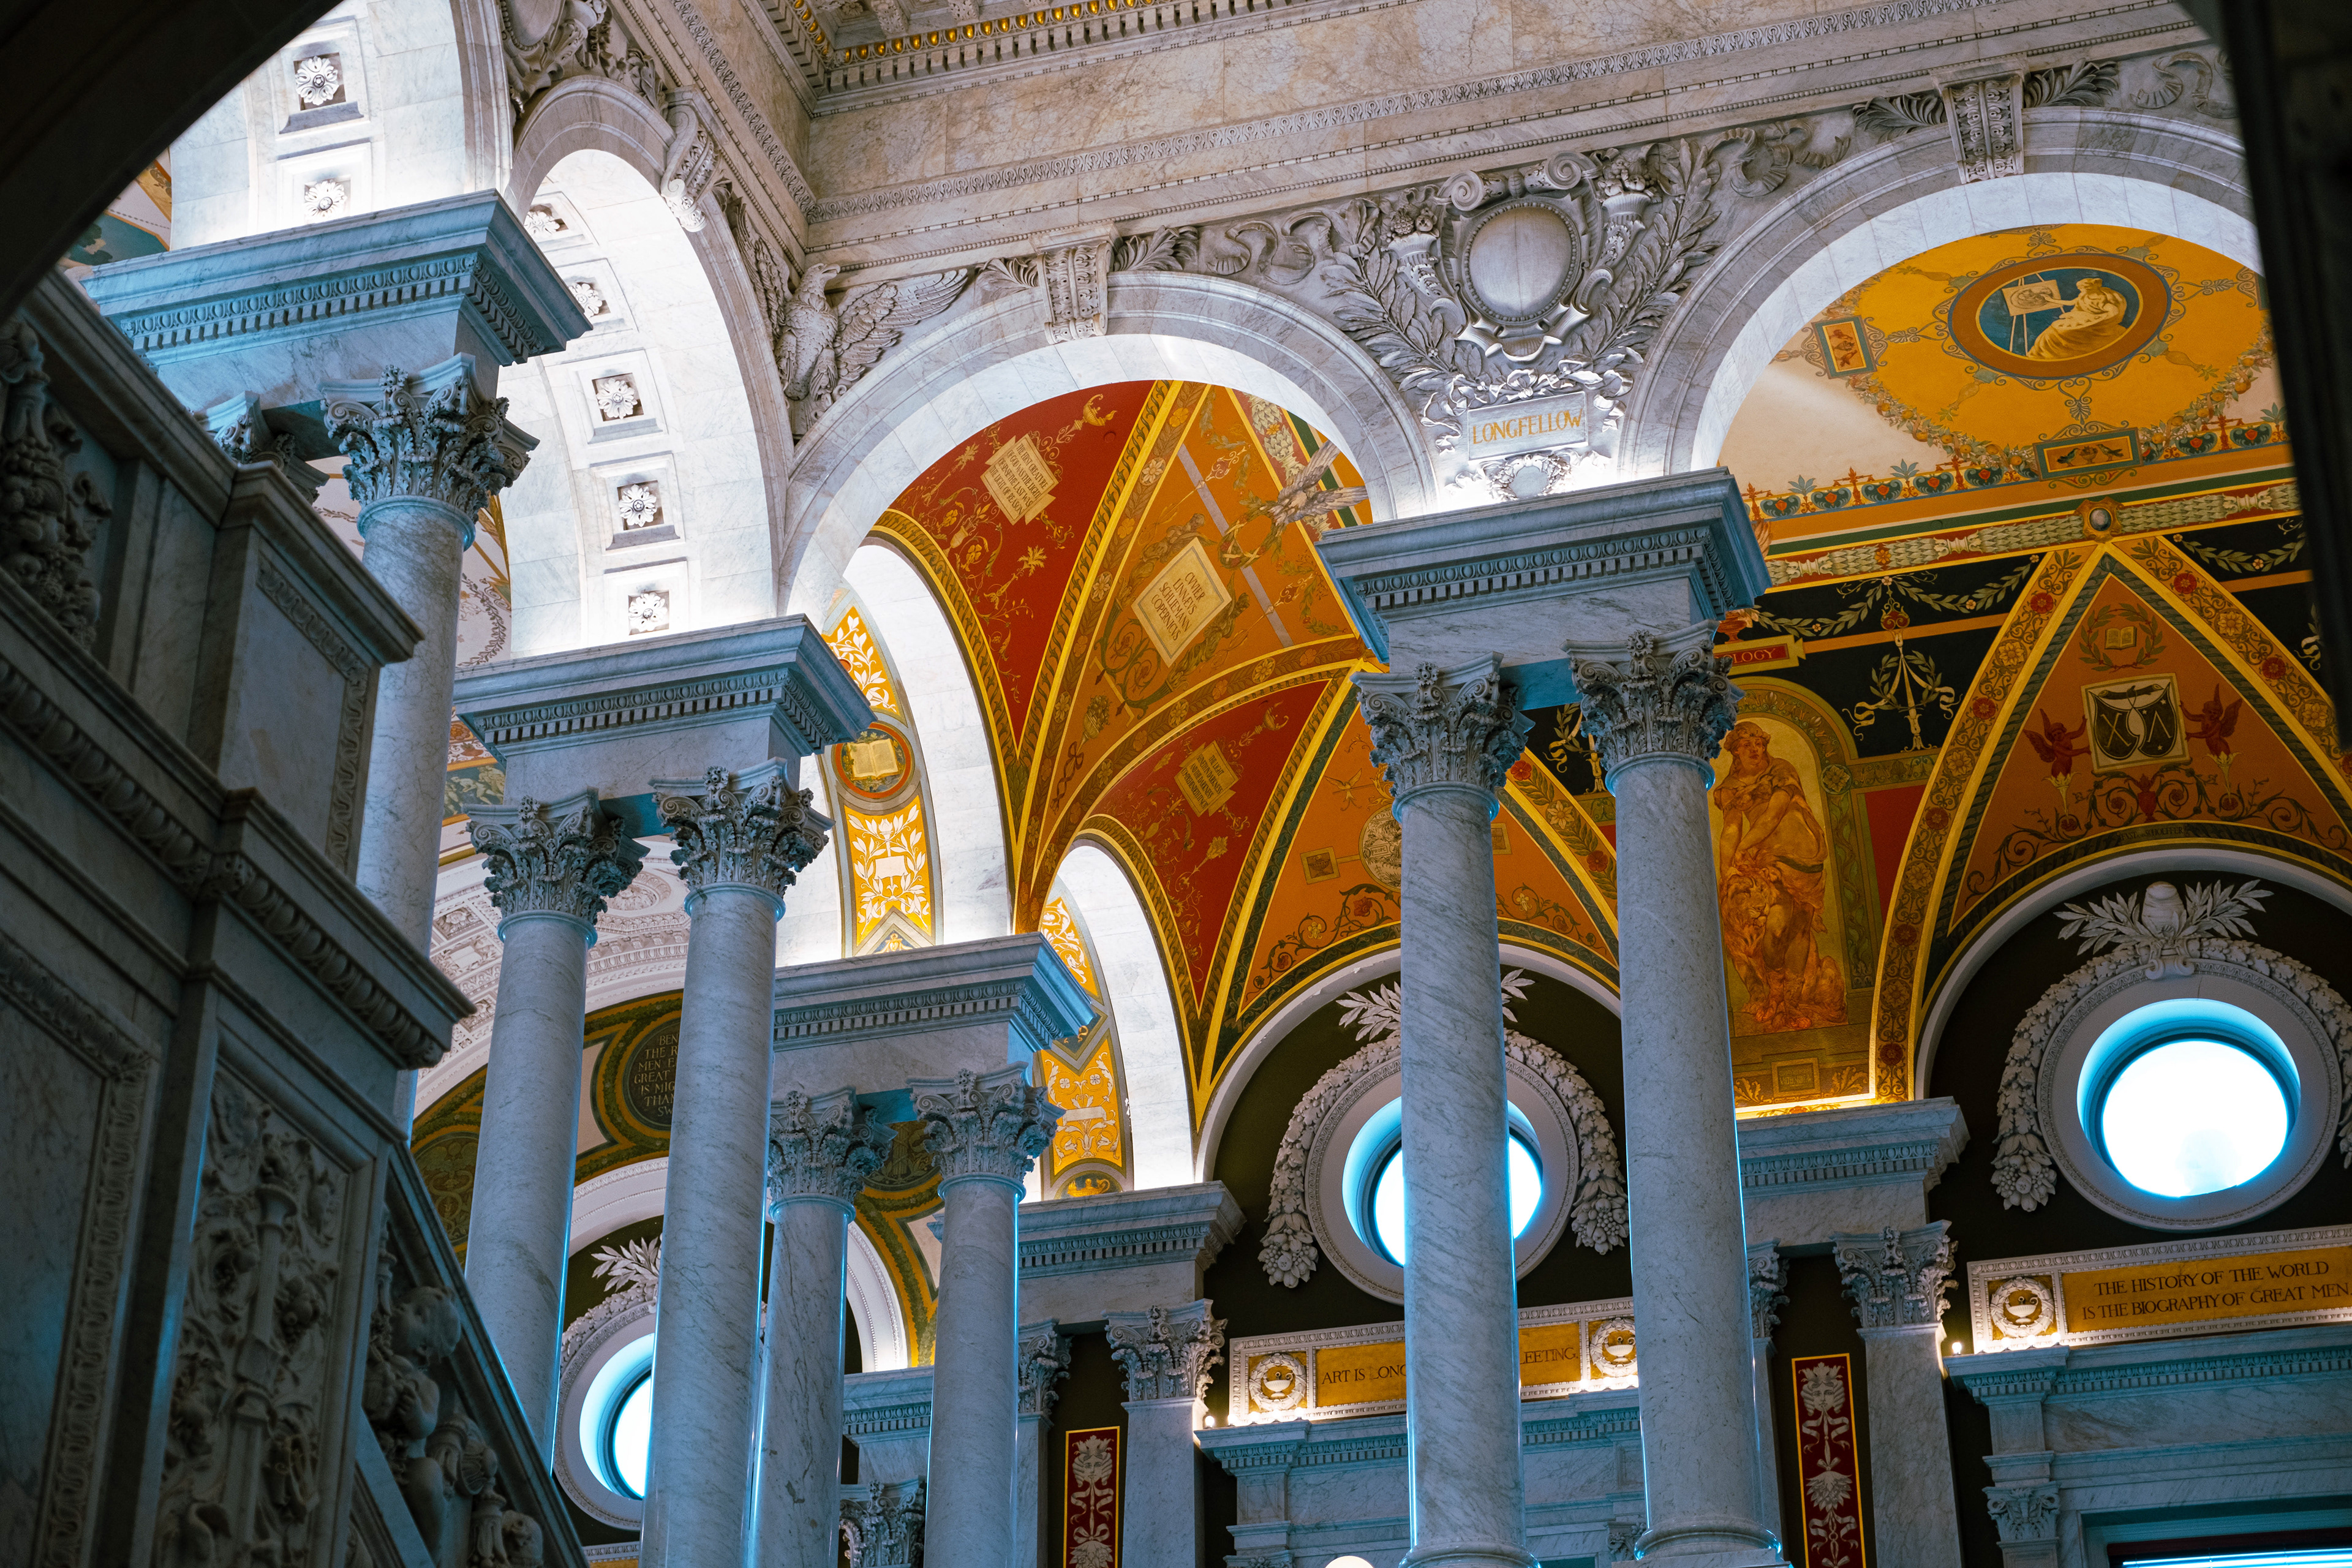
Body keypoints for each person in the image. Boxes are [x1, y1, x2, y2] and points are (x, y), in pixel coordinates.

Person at [1713, 722, 1848, 1033]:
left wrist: (1743, 850)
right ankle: (1775, 991)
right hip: (1769, 857)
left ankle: (1791, 1002)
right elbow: (1730, 831)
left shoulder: (1782, 769)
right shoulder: (1730, 787)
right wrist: (1727, 872)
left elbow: (1774, 815)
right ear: (1735, 751)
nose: (1756, 749)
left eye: (1759, 742)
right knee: (1775, 930)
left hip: (1805, 855)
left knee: (1800, 928)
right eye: (1747, 745)